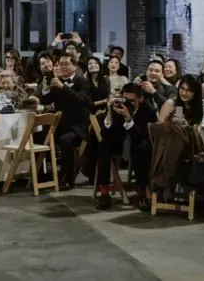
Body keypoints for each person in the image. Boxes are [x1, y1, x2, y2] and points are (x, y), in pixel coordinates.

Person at [95, 83, 157, 210]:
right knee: (103, 144)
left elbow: (141, 137)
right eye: (125, 99)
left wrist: (128, 118)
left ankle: (143, 192)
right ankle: (104, 192)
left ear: (140, 99)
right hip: (120, 142)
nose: (128, 103)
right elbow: (104, 134)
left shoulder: (148, 110)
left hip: (137, 143)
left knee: (142, 148)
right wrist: (110, 113)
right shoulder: (117, 106)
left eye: (132, 101)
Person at [41, 52, 91, 189]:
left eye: (65, 64)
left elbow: (82, 101)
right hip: (61, 125)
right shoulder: (58, 81)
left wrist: (64, 87)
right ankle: (42, 174)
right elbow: (45, 100)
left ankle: (67, 179)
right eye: (60, 64)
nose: (62, 67)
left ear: (74, 66)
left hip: (78, 127)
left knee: (65, 140)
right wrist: (45, 90)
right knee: (38, 135)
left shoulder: (83, 82)